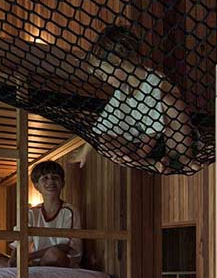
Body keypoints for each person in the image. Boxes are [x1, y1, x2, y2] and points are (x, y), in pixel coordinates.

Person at [72, 24, 200, 174]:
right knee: (103, 140)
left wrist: (137, 157)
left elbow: (153, 132)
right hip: (147, 148)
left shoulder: (153, 81)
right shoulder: (123, 90)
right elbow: (105, 124)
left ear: (118, 61)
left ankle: (184, 159)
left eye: (105, 74)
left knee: (171, 104)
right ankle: (155, 164)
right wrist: (85, 150)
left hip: (172, 140)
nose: (106, 80)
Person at [9, 160, 82, 268]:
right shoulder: (32, 213)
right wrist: (12, 262)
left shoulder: (69, 211)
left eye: (55, 177)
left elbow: (64, 247)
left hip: (63, 260)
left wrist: (29, 257)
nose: (50, 181)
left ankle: (35, 267)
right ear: (36, 186)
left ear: (62, 183)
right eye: (45, 178)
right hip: (34, 260)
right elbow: (19, 241)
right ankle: (32, 267)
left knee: (53, 253)